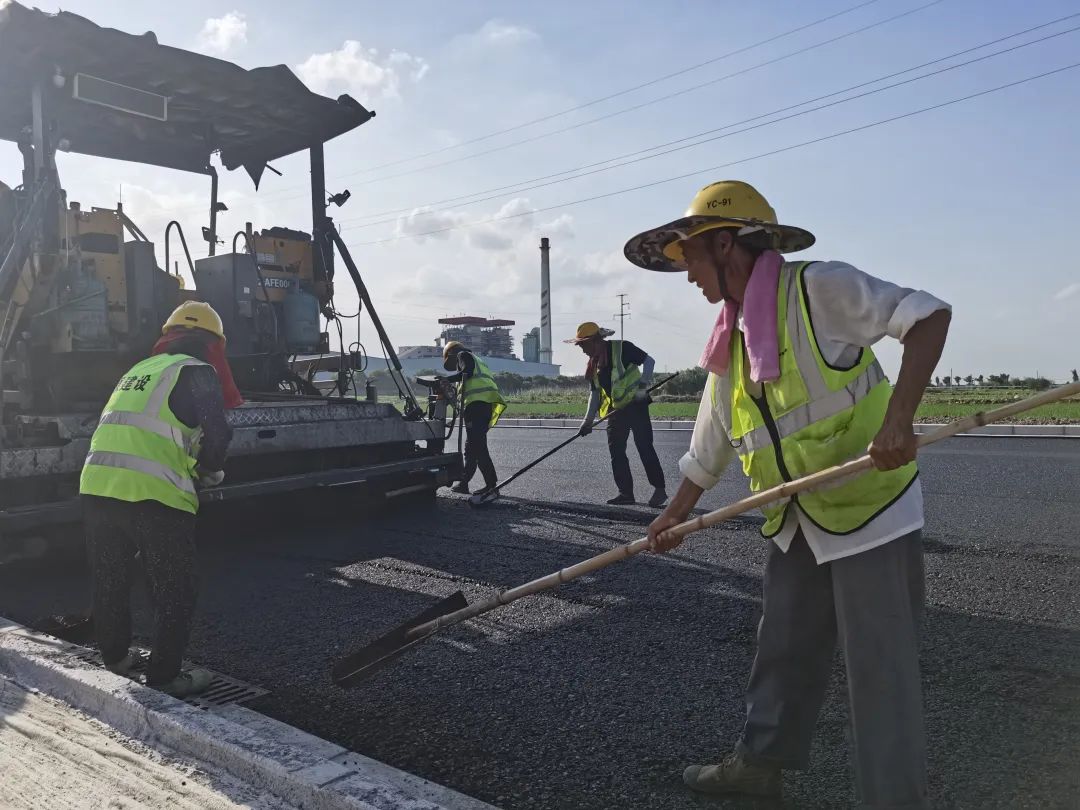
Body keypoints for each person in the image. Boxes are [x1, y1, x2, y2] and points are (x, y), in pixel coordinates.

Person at [627, 180, 950, 808]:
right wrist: (671, 518)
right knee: (782, 652)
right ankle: (758, 766)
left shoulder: (818, 289)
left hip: (869, 509)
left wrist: (898, 421)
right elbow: (712, 440)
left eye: (690, 258)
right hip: (794, 517)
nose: (687, 275)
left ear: (724, 244)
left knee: (879, 673)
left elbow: (928, 316)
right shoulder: (732, 339)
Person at [79, 301, 240, 698]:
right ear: (211, 344)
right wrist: (208, 470)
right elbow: (218, 434)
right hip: (155, 493)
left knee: (111, 577)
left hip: (98, 487)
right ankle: (166, 676)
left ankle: (116, 657)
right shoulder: (197, 371)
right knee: (174, 588)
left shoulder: (137, 371)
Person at [566, 322, 667, 507]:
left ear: (595, 341)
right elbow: (595, 393)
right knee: (616, 450)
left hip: (636, 405)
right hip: (616, 410)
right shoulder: (594, 364)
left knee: (644, 446)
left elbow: (649, 361)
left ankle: (659, 489)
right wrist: (587, 421)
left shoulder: (623, 348)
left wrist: (642, 387)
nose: (582, 350)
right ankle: (625, 493)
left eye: (583, 346)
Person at [441, 341, 505, 497]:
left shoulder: (463, 355)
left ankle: (491, 485)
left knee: (478, 446)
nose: (455, 366)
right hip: (481, 406)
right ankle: (464, 483)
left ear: (453, 353)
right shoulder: (477, 360)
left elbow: (466, 373)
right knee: (472, 447)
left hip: (477, 406)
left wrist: (444, 380)